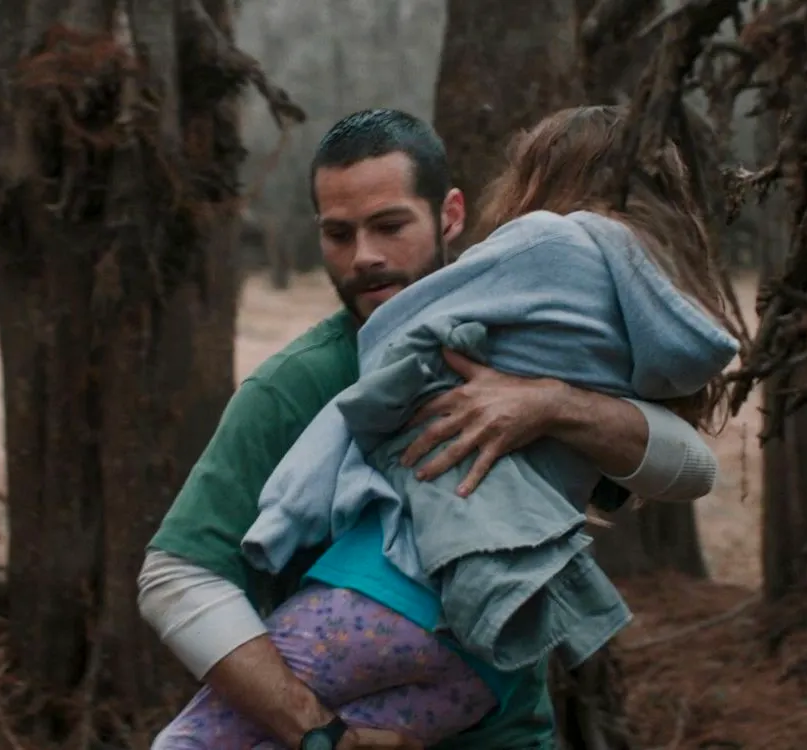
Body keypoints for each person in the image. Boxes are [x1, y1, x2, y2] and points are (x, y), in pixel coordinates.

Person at [139, 108, 726, 750]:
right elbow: (176, 577)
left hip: (507, 729)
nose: (365, 257)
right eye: (338, 235)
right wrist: (320, 735)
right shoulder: (299, 381)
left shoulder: (531, 338)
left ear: (449, 215)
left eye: (389, 226)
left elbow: (691, 468)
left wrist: (551, 404)